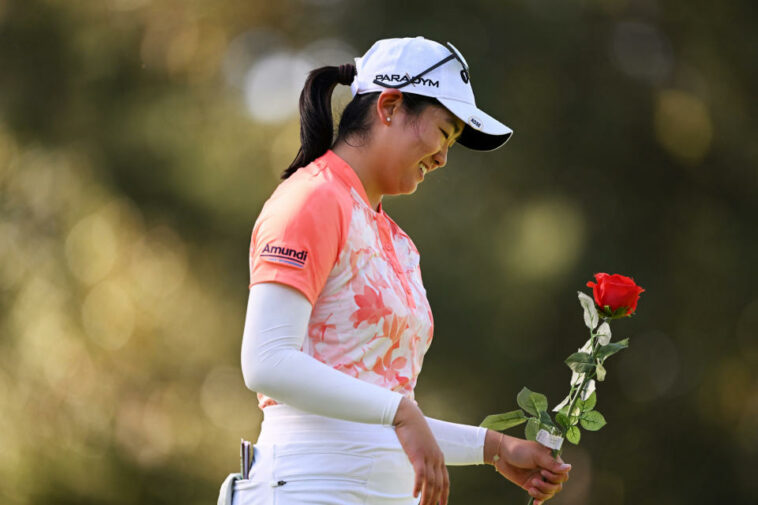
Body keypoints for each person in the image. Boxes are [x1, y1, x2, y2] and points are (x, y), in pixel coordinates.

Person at [233, 36, 571, 505]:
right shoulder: (312, 199)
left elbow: (382, 412)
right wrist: (401, 413)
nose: (443, 157)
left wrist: (494, 449)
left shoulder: (397, 243)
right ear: (390, 107)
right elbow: (266, 361)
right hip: (307, 489)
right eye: (444, 131)